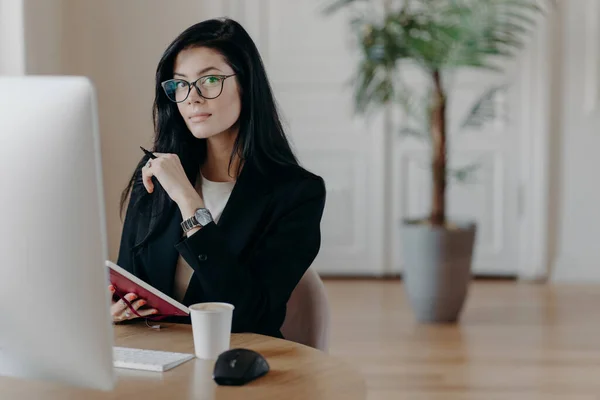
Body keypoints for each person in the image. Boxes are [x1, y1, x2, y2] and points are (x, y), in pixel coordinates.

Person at [109, 17, 326, 340]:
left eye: (209, 80)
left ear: (246, 84)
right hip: (158, 359)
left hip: (239, 362)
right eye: (180, 83)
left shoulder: (297, 193)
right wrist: (117, 309)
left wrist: (188, 201)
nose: (191, 97)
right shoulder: (157, 171)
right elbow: (130, 283)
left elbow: (249, 313)